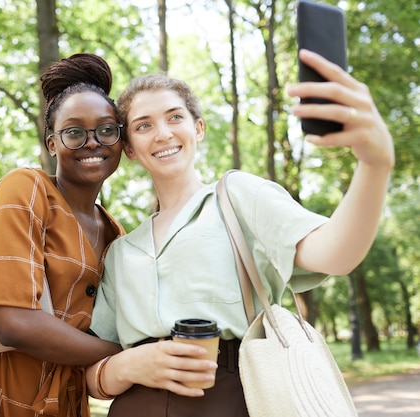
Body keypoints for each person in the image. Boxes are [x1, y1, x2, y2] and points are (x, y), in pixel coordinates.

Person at [86, 48, 395, 416]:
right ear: (131, 149)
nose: (163, 134)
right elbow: (91, 374)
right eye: (143, 125)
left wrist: (375, 164)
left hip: (230, 399)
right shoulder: (121, 251)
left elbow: (336, 254)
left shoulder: (237, 196)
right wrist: (127, 366)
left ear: (197, 128)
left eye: (175, 117)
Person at [0, 53, 126, 417]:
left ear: (120, 140)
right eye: (73, 132)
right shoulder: (26, 188)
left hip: (66, 399)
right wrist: (125, 355)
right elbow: (15, 323)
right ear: (52, 143)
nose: (92, 142)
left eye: (106, 129)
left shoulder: (115, 233)